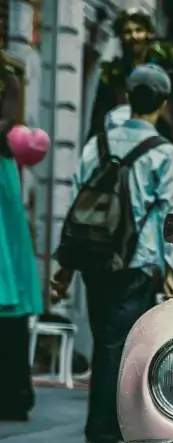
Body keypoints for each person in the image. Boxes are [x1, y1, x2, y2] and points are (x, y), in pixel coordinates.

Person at [51, 65, 173, 443]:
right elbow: (171, 215)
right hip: (136, 261)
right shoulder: (164, 153)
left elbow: (77, 203)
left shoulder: (97, 143)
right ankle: (103, 441)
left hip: (94, 259)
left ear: (128, 96)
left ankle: (104, 437)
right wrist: (172, 268)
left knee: (105, 342)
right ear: (162, 104)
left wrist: (65, 264)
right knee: (118, 347)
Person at [87, 8, 173, 287]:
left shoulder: (169, 68)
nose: (133, 36)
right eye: (127, 31)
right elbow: (98, 119)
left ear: (148, 32)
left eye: (138, 30)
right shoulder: (114, 74)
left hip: (166, 149)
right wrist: (96, 153)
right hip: (123, 157)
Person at [0, 45, 42, 421]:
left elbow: (7, 124)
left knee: (7, 267)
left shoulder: (8, 77)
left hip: (1, 171)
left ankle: (14, 392)